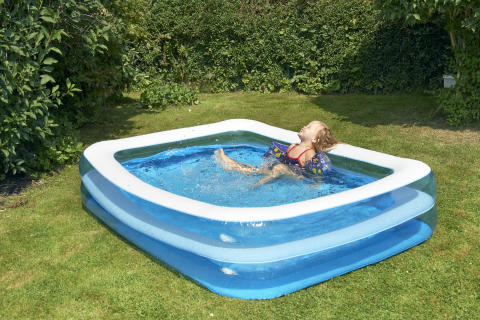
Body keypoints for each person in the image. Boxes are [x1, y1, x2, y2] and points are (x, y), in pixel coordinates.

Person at [215, 120, 338, 187]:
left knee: (279, 168)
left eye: (309, 127)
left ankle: (255, 185)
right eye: (306, 124)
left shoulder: (309, 153)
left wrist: (316, 185)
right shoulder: (292, 146)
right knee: (260, 169)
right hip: (282, 170)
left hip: (296, 176)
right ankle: (230, 164)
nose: (304, 126)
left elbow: (315, 173)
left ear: (315, 140)